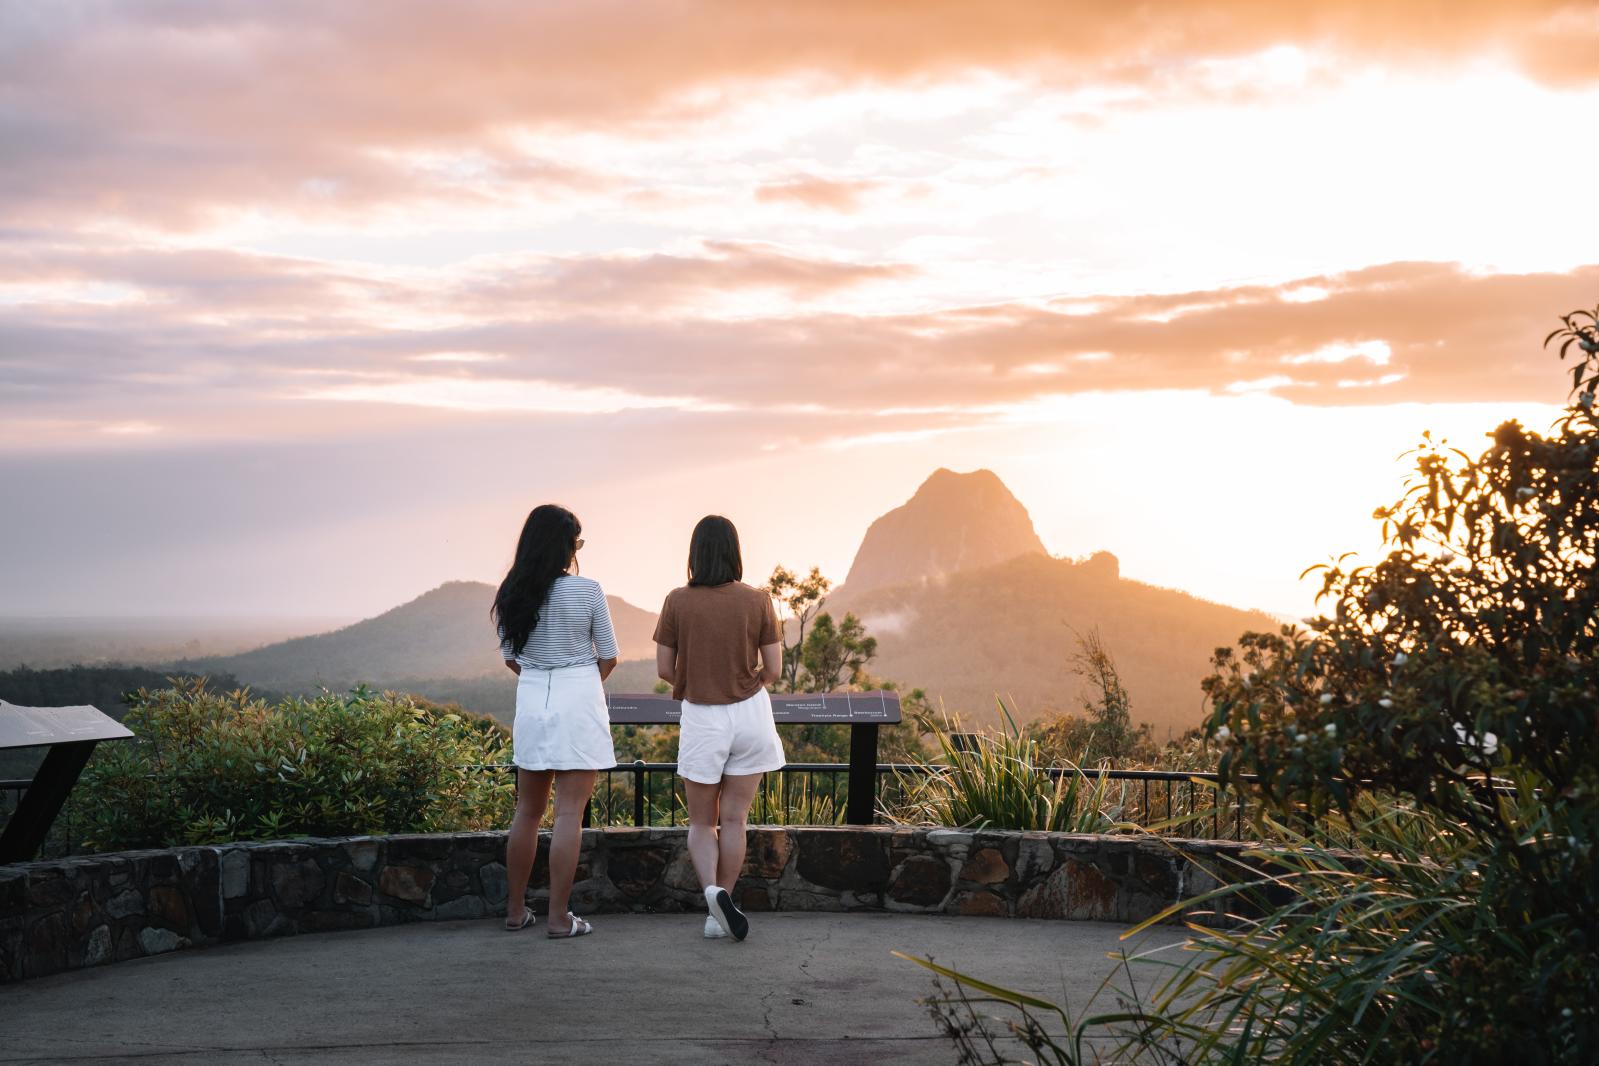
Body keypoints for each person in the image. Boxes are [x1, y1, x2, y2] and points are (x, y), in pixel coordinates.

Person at [654, 515, 784, 941]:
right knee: (734, 820)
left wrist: (701, 682)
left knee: (700, 822)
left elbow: (664, 670)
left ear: (695, 553)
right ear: (735, 551)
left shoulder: (677, 600)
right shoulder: (759, 600)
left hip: (703, 717)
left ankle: (712, 894)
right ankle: (721, 909)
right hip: (751, 714)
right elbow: (775, 670)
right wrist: (745, 685)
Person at [493, 504, 618, 939]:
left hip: (532, 698)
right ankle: (559, 917)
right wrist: (578, 683)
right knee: (569, 812)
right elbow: (609, 655)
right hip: (577, 694)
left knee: (527, 811)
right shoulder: (588, 591)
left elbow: (512, 658)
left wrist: (543, 676)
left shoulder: (512, 592)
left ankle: (514, 910)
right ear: (565, 546)